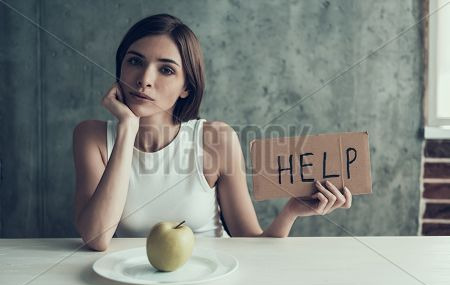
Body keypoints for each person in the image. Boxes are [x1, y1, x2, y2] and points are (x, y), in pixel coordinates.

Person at [72, 13, 352, 251]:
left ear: (186, 88)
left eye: (166, 70)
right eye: (135, 61)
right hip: (131, 282)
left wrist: (291, 212)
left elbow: (251, 244)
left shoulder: (215, 139)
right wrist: (126, 129)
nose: (144, 79)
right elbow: (96, 237)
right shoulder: (91, 137)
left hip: (214, 280)